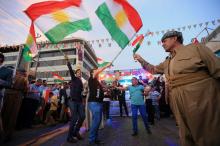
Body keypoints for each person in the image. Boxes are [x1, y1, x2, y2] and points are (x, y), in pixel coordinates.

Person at [134, 30, 220, 146]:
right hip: (177, 101)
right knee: (186, 135)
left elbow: (217, 69)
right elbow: (153, 69)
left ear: (174, 38)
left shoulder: (196, 48)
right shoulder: (167, 61)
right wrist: (141, 60)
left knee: (207, 135)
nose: (162, 44)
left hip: (200, 97)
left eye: (164, 41)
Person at [87, 62, 112, 145]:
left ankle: (95, 139)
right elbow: (97, 71)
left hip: (99, 103)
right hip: (94, 103)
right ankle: (91, 140)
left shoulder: (97, 82)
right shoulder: (91, 79)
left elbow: (100, 91)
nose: (97, 71)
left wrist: (106, 90)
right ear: (92, 73)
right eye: (95, 71)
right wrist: (106, 66)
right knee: (96, 122)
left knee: (97, 122)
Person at [64, 55, 85, 143]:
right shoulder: (74, 79)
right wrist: (68, 62)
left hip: (79, 101)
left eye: (80, 72)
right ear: (76, 74)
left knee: (83, 116)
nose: (79, 73)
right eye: (78, 72)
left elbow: (82, 93)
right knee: (74, 118)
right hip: (72, 101)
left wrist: (84, 94)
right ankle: (69, 137)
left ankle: (76, 132)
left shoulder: (81, 82)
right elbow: (71, 71)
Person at [0, 53, 13, 141]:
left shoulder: (7, 71)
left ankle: (2, 135)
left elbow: (9, 84)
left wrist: (0, 81)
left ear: (1, 60)